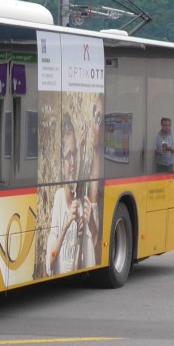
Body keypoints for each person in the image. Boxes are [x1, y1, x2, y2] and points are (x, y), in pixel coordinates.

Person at [47, 113, 97, 275]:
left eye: (74, 154)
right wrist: (66, 226)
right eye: (68, 156)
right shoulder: (59, 197)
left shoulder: (80, 199)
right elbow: (49, 264)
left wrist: (81, 149)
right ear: (61, 163)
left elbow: (78, 182)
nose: (73, 162)